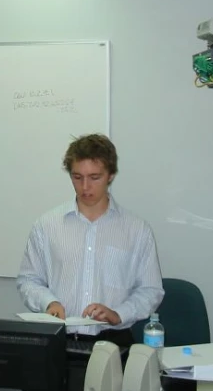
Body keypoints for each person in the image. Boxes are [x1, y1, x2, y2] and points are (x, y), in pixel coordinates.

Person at [17, 133, 164, 347]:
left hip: (114, 342)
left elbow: (151, 290)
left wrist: (118, 314)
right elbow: (28, 280)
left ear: (111, 175)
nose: (85, 187)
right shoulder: (46, 225)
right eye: (77, 177)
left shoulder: (137, 230)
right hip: (59, 342)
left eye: (95, 177)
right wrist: (49, 302)